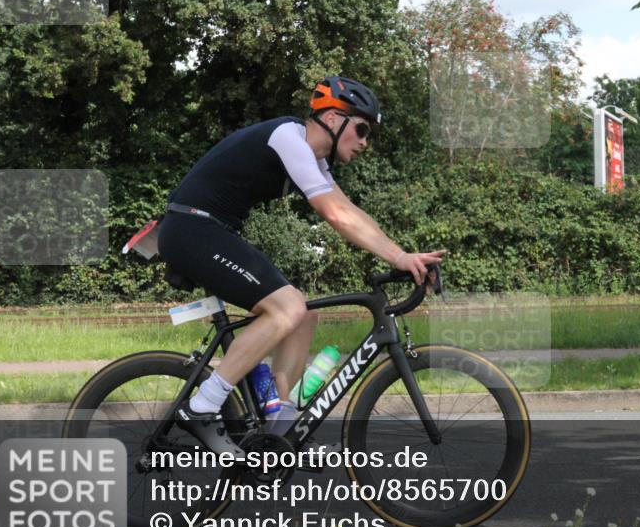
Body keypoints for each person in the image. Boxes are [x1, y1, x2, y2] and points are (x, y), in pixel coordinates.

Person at [156, 76, 446, 456]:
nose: (364, 142)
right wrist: (398, 257)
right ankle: (202, 407)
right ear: (331, 117)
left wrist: (403, 255)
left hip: (209, 230)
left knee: (302, 313)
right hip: (192, 228)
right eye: (360, 129)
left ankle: (282, 425)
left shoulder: (314, 160)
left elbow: (351, 211)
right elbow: (335, 215)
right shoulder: (288, 137)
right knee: (286, 308)